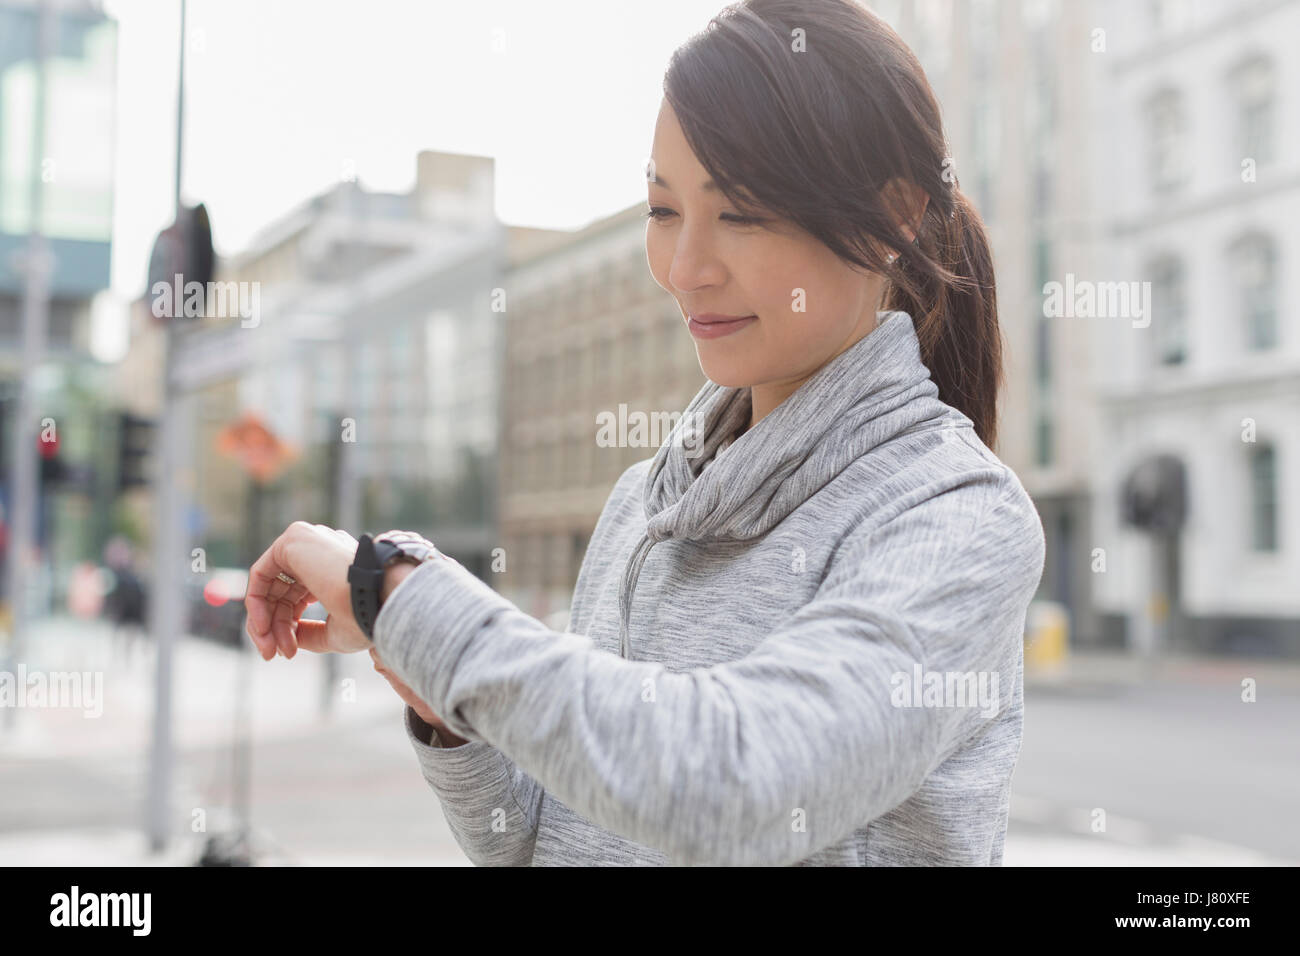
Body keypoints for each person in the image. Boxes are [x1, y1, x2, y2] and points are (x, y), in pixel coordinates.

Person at [244, 0, 1045, 866]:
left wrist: (402, 598)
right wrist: (447, 712)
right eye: (663, 211)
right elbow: (548, 846)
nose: (686, 269)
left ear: (890, 217)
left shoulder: (956, 517)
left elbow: (741, 787)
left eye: (741, 213)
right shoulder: (643, 503)